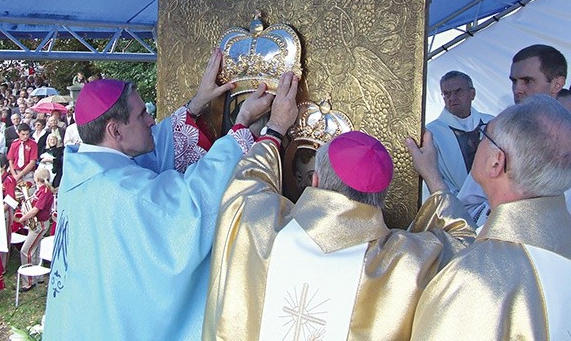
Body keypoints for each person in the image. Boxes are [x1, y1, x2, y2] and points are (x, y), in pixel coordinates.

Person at [203, 73, 476, 340]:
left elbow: (246, 184)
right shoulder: (407, 263)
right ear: (381, 196)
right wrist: (434, 179)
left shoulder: (258, 227)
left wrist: (274, 130)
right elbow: (466, 247)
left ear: (316, 179)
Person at [43, 49, 273, 341]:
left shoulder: (82, 172)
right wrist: (242, 131)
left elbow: (145, 156)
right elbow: (195, 203)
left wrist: (196, 105)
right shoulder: (122, 192)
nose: (152, 121)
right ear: (114, 130)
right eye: (142, 115)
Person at [410, 95, 571, 339]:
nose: (477, 142)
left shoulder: (473, 281)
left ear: (497, 162)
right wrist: (434, 179)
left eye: (485, 135)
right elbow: (471, 237)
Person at [458, 44, 568, 223]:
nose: (517, 89)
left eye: (527, 81)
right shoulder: (499, 135)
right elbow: (468, 204)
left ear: (557, 83)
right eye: (514, 81)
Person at [426, 71, 493, 195]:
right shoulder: (432, 133)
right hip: (458, 203)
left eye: (458, 91)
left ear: (472, 93)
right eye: (446, 94)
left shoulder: (492, 123)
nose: (452, 98)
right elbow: (434, 175)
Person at [15, 167, 55, 292]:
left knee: (26, 250)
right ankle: (39, 277)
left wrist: (22, 218)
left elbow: (35, 210)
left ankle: (28, 281)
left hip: (40, 224)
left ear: (37, 178)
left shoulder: (45, 192)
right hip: (37, 223)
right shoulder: (40, 190)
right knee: (36, 250)